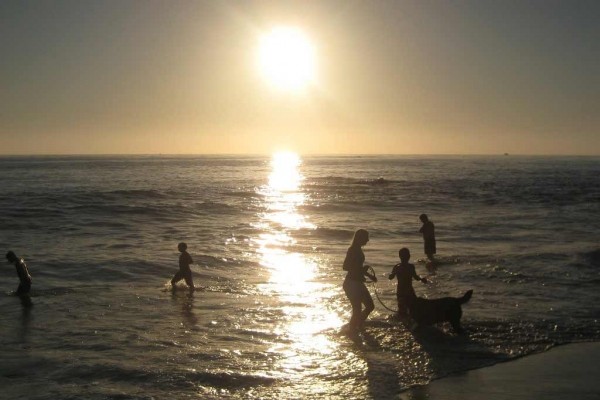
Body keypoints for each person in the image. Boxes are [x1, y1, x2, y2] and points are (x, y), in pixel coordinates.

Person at [342, 229, 377, 335]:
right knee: (357, 310)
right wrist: (362, 270)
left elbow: (358, 267)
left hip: (357, 283)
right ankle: (352, 330)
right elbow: (345, 267)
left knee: (370, 306)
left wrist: (369, 275)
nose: (368, 240)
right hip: (352, 284)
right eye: (366, 237)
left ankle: (357, 326)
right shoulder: (352, 249)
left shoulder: (358, 249)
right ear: (360, 238)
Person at [388, 248, 427, 316]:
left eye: (406, 255)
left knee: (410, 308)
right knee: (404, 309)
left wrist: (421, 279)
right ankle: (405, 321)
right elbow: (390, 277)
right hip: (404, 291)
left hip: (406, 291)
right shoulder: (401, 267)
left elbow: (415, 277)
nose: (406, 257)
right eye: (405, 256)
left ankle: (405, 321)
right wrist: (393, 273)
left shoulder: (404, 267)